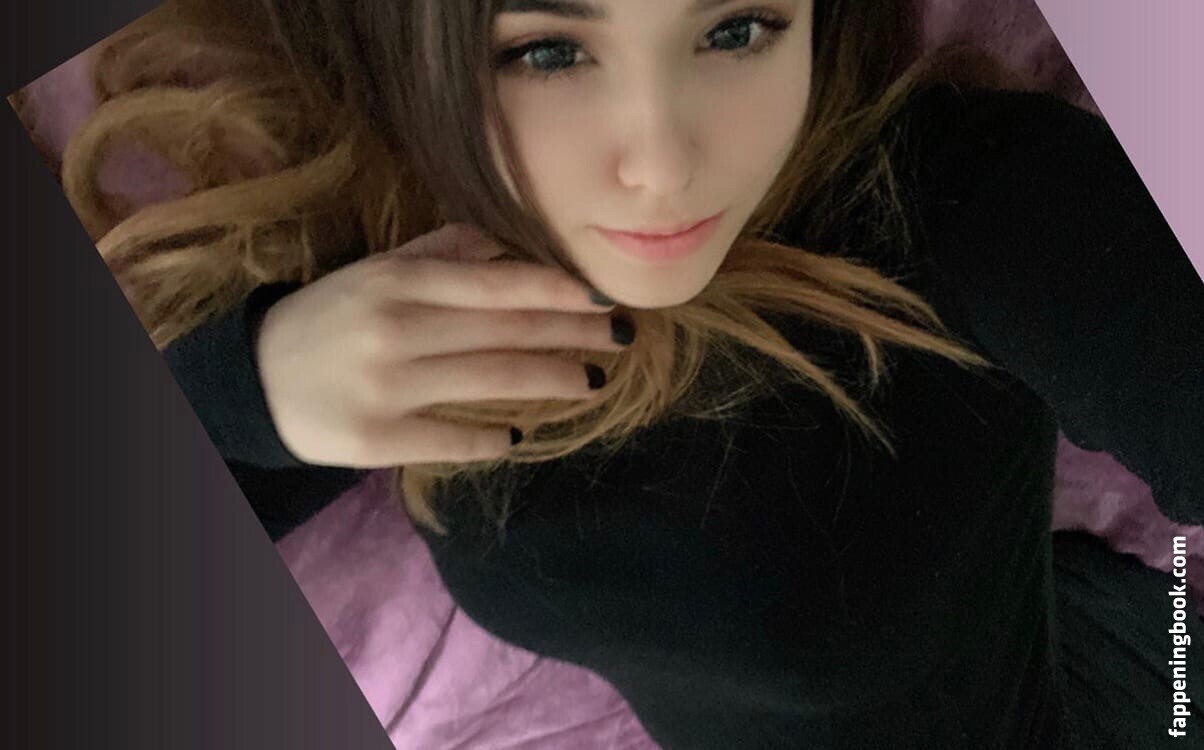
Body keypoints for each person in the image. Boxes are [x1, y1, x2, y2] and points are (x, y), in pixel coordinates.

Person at [59, 0, 1203, 746]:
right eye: (548, 51)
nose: (661, 164)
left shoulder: (962, 202)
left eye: (738, 29)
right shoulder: (403, 265)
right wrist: (251, 387)